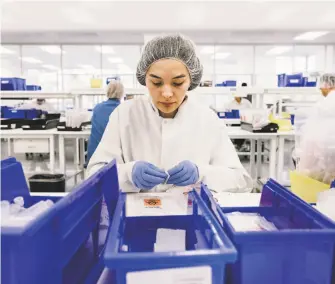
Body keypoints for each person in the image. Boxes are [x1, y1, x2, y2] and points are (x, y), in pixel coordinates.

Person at [87, 34, 252, 193]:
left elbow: (240, 180)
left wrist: (200, 173)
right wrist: (128, 174)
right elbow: (94, 174)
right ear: (144, 79)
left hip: (190, 216)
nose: (166, 93)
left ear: (191, 80)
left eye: (178, 83)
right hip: (135, 215)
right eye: (156, 82)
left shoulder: (207, 119)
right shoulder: (125, 114)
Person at [87, 80, 124, 162]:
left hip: (94, 156)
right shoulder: (123, 109)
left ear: (107, 91)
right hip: (113, 159)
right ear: (121, 93)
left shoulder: (97, 108)